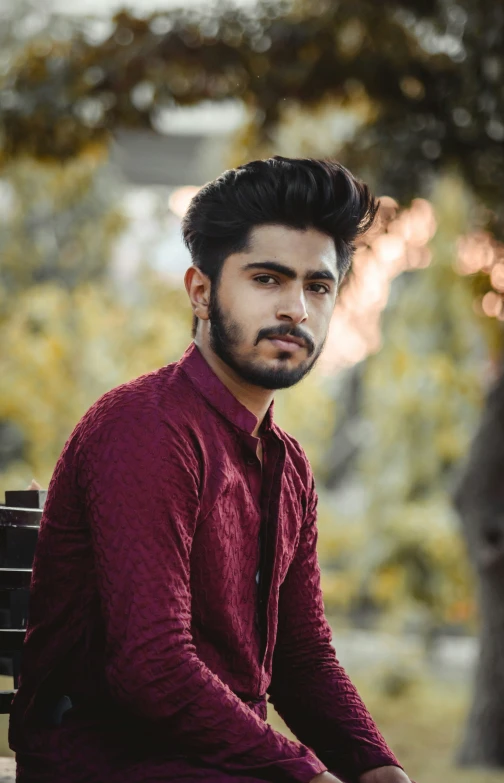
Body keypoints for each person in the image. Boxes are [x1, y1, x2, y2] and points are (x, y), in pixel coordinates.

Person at [9, 156, 414, 783]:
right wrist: (305, 772)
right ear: (200, 291)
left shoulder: (288, 465)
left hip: (221, 762)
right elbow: (152, 665)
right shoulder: (146, 426)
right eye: (267, 279)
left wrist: (375, 766)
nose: (296, 310)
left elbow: (301, 657)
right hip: (109, 762)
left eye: (317, 286)